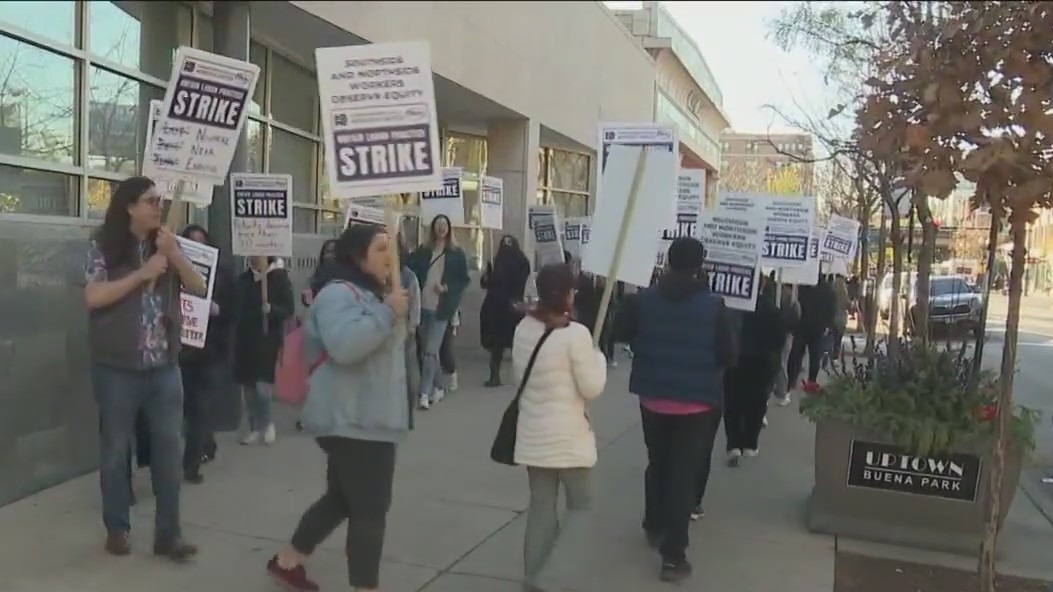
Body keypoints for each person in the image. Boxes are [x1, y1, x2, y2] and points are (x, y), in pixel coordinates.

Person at [266, 223, 410, 592]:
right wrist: (386, 314)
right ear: (357, 255)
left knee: (342, 498)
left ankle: (289, 559)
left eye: (392, 249)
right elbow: (345, 346)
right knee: (370, 509)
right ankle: (365, 586)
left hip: (369, 417)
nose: (389, 256)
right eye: (380, 249)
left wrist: (394, 308)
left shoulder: (377, 295)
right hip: (352, 419)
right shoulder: (337, 295)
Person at [83, 175, 205, 560]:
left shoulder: (165, 244)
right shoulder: (103, 247)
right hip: (117, 367)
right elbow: (94, 296)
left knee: (170, 448)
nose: (158, 206)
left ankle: (169, 535)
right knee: (116, 449)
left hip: (164, 366)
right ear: (130, 207)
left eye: (160, 200)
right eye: (151, 200)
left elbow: (199, 287)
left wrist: (176, 255)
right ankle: (117, 527)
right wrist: (141, 274)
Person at [618, 237, 737, 583]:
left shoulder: (643, 300)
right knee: (683, 475)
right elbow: (728, 355)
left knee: (658, 461)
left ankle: (654, 523)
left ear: (669, 261)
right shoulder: (715, 306)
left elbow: (622, 333)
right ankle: (673, 555)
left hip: (653, 396)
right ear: (700, 264)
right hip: (698, 401)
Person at [514, 263, 607, 591]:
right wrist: (598, 358)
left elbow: (519, 377)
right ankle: (551, 577)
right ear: (567, 293)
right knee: (582, 508)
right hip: (569, 438)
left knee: (540, 508)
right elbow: (592, 386)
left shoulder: (524, 327)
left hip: (534, 436)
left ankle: (533, 576)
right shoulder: (577, 335)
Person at [178, 225, 235, 483]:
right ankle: (206, 443)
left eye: (201, 243)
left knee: (199, 407)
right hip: (183, 350)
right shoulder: (175, 272)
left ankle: (190, 464)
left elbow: (236, 311)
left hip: (211, 352)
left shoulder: (223, 274)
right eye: (190, 243)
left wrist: (217, 310)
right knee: (191, 408)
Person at [722, 275, 795, 467]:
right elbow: (780, 339)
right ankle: (750, 443)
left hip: (735, 360)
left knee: (732, 403)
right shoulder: (772, 310)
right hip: (762, 362)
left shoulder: (731, 309)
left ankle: (733, 443)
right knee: (756, 402)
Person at [407, 214, 470, 410]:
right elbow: (409, 268)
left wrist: (447, 287)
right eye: (438, 225)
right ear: (433, 228)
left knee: (430, 351)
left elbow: (463, 280)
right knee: (428, 351)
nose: (441, 228)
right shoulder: (424, 251)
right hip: (423, 306)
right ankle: (439, 387)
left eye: (445, 225)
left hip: (443, 308)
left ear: (449, 229)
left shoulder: (456, 254)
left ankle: (424, 393)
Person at [233, 256, 294, 445]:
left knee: (262, 385)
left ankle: (267, 423)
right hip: (245, 338)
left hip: (267, 338)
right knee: (248, 386)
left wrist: (272, 309)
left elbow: (289, 309)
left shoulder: (279, 278)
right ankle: (254, 427)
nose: (254, 258)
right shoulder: (243, 280)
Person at [480, 235, 531, 387]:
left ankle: (523, 376)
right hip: (495, 307)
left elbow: (519, 282)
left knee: (515, 344)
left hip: (511, 307)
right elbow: (487, 283)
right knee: (498, 344)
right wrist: (488, 275)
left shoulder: (521, 262)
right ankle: (495, 375)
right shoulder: (496, 261)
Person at [786, 273, 836, 395]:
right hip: (818, 327)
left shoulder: (803, 287)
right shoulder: (828, 290)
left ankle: (791, 381)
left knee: (796, 354)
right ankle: (811, 381)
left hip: (802, 325)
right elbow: (831, 309)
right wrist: (827, 324)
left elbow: (798, 305)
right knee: (815, 356)